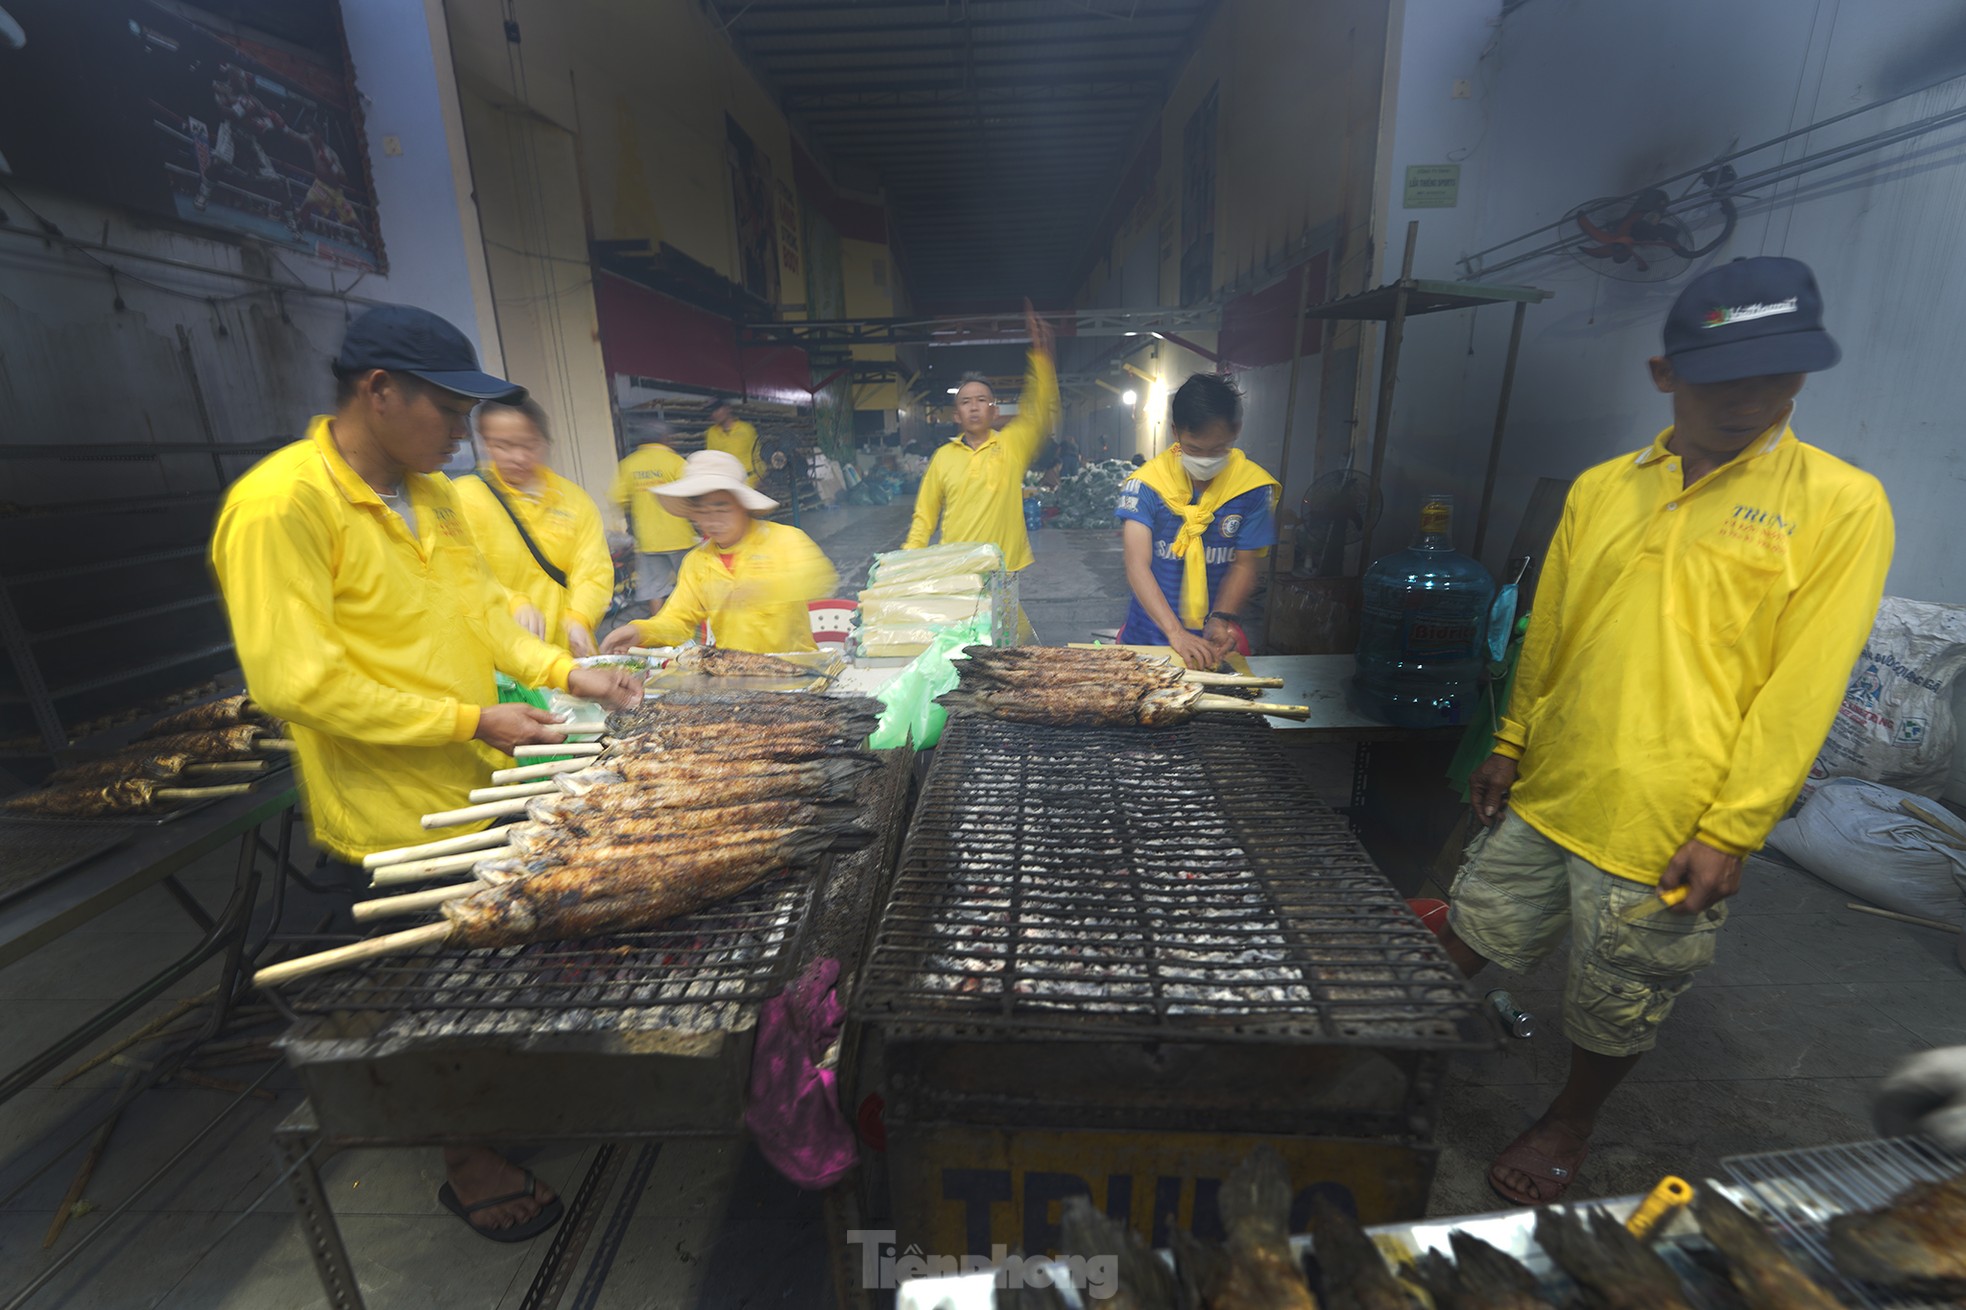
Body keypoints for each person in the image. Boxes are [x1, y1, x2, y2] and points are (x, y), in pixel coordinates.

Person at [1442, 257, 1894, 1206]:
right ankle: (1392, 1051)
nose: (1754, 395)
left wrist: (1733, 830)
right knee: (1472, 924)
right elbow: (1551, 626)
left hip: (1670, 815)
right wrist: (1512, 738)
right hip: (1557, 783)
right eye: (1725, 373)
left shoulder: (1842, 505)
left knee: (1622, 991)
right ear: (1665, 374)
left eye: (1780, 372)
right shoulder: (1606, 488)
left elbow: (1802, 687)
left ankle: (1569, 1119)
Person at [210, 304, 643, 1240]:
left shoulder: (432, 493)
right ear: (379, 392)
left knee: (486, 964)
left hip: (481, 781)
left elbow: (484, 608)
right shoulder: (282, 506)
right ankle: (466, 1156)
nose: (464, 435)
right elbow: (298, 681)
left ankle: (496, 1096)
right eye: (450, 412)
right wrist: (469, 718)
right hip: (393, 813)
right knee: (434, 991)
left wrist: (571, 673)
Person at [600, 450, 836, 655]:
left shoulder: (784, 539)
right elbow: (677, 620)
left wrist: (763, 589)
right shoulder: (697, 562)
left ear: (742, 505)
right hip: (734, 672)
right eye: (702, 511)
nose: (711, 521)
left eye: (721, 508)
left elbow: (820, 578)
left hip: (795, 666)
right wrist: (640, 631)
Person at [1115, 375, 1278, 669]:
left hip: (1215, 644)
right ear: (1176, 432)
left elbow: (1244, 564)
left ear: (1235, 431)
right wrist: (1175, 632)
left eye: (1217, 450)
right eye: (1194, 449)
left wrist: (1221, 617)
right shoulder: (1146, 485)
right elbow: (1136, 564)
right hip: (1147, 640)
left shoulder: (1252, 488)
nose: (1205, 460)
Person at [902, 301, 1058, 571]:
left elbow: (1039, 410)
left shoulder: (1012, 445)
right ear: (955, 415)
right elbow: (924, 515)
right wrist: (906, 560)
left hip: (1002, 569)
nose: (974, 407)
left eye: (982, 400)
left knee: (1004, 616)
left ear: (994, 411)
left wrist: (1042, 358)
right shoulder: (943, 458)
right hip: (956, 568)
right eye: (965, 402)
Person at [453, 398, 615, 657]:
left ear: (545, 442)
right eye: (503, 446)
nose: (518, 457)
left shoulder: (574, 500)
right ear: (484, 442)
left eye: (529, 445)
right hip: (501, 657)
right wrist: (511, 602)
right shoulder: (463, 498)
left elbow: (594, 571)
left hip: (567, 653)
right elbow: (460, 572)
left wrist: (580, 617)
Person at [609, 421, 696, 618]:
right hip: (679, 537)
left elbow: (619, 499)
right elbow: (693, 495)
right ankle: (692, 626)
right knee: (689, 584)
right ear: (664, 439)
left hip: (648, 541)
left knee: (655, 589)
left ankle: (659, 632)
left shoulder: (628, 465)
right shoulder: (675, 462)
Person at [703, 398, 763, 486]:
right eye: (712, 412)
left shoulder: (746, 429)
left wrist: (760, 477)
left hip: (748, 481)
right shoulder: (711, 433)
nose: (714, 414)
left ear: (727, 409)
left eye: (717, 410)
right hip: (726, 482)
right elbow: (712, 459)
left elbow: (758, 454)